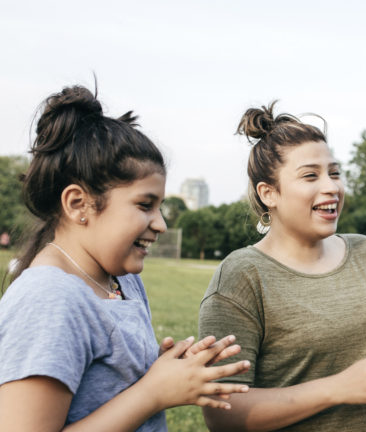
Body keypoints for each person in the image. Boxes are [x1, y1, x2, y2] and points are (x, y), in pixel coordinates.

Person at [0, 85, 251, 432]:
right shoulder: (49, 299)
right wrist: (152, 392)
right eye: (145, 205)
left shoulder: (121, 280)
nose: (161, 224)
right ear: (78, 204)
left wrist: (164, 371)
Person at [198, 101, 366, 431]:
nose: (331, 186)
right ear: (268, 193)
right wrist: (337, 389)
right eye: (310, 176)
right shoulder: (242, 276)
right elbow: (223, 413)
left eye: (334, 173)